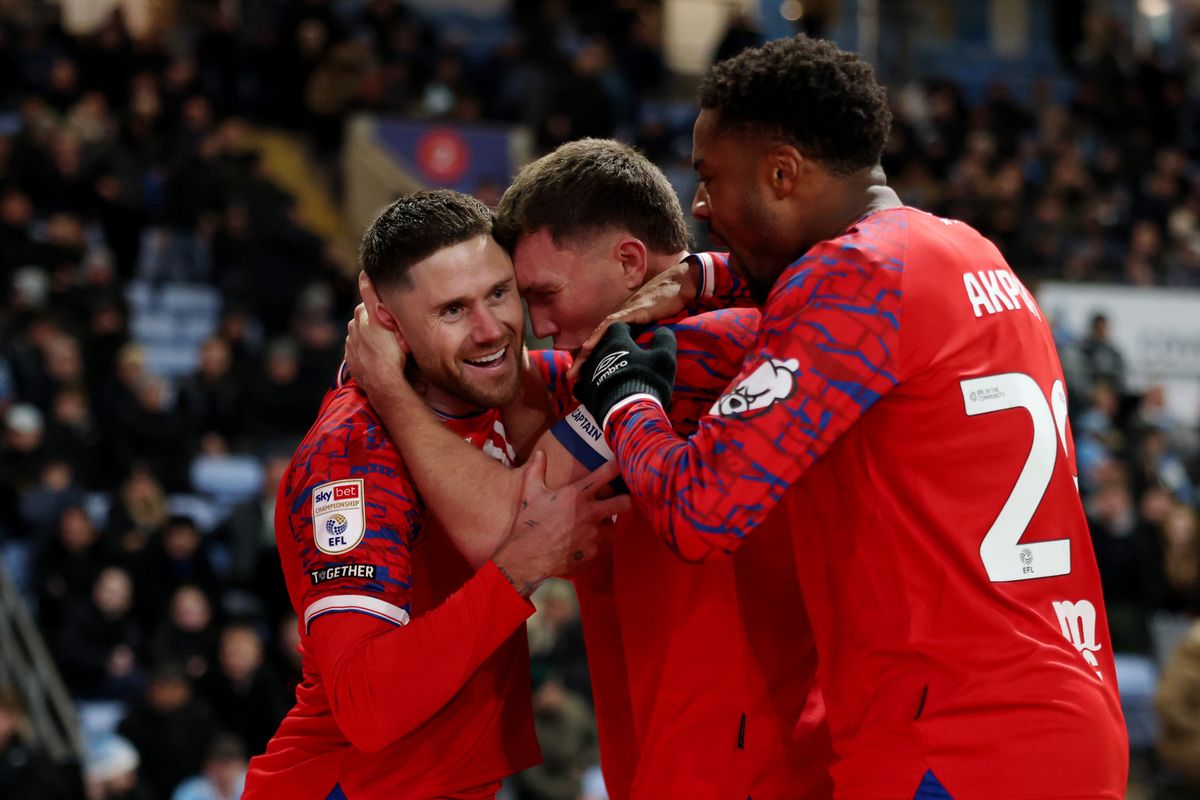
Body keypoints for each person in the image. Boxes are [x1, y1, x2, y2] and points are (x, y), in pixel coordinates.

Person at [568, 35, 1128, 799]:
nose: (699, 205)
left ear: (782, 173)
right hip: (1064, 721)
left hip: (949, 741)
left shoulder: (853, 275)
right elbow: (835, 306)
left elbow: (700, 509)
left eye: (709, 177)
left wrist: (625, 396)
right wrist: (708, 274)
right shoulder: (967, 251)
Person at [346, 139, 831, 798]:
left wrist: (389, 388)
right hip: (676, 740)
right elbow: (520, 390)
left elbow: (503, 526)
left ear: (630, 262)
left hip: (743, 753)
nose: (539, 324)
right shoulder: (604, 361)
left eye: (543, 294)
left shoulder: (692, 354)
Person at [243, 190, 629, 799]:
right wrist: (519, 569)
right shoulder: (351, 459)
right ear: (386, 318)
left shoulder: (504, 387)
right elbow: (366, 705)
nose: (491, 331)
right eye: (452, 310)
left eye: (499, 293)